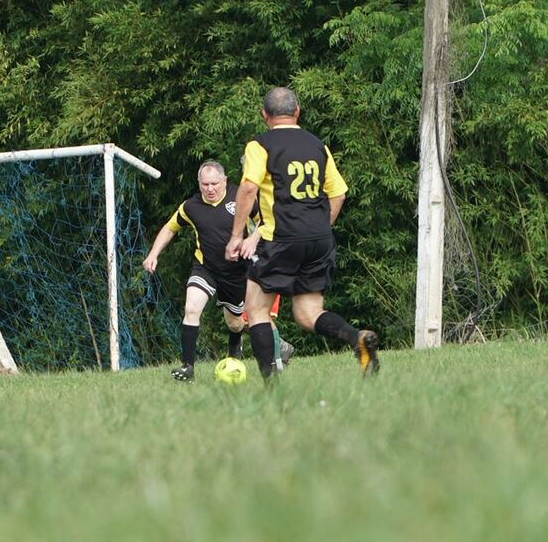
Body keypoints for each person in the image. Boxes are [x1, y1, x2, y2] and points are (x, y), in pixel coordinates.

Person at [226, 87, 380, 380]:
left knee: (256, 309)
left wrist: (236, 237)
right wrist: (321, 227)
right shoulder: (317, 145)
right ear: (297, 111)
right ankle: (356, 338)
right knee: (308, 313)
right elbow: (339, 194)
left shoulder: (260, 145)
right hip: (319, 238)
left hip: (280, 237)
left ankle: (271, 383)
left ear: (264, 115)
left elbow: (248, 188)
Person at [143, 161, 294, 381]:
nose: (210, 189)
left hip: (238, 273)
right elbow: (170, 227)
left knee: (236, 323)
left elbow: (266, 221)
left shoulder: (241, 197)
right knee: (191, 308)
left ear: (224, 181)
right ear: (199, 183)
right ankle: (188, 368)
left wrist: (252, 240)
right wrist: (153, 254)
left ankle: (247, 350)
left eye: (214, 183)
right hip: (206, 268)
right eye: (205, 184)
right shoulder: (190, 207)